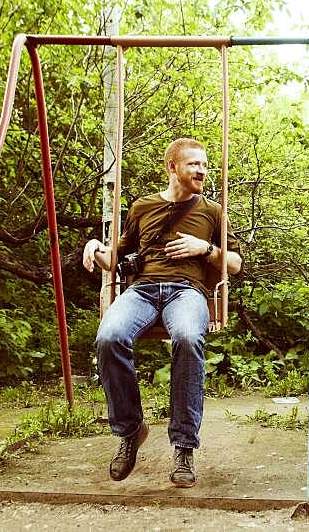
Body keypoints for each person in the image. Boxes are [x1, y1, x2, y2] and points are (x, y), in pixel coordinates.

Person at [83, 137, 242, 487]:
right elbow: (113, 258)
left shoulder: (213, 212)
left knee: (186, 338)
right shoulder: (143, 207)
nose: (202, 170)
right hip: (141, 291)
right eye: (194, 164)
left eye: (204, 164)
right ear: (172, 167)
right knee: (109, 338)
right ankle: (130, 430)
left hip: (186, 292)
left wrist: (206, 249)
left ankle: (184, 446)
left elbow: (234, 263)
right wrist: (95, 245)